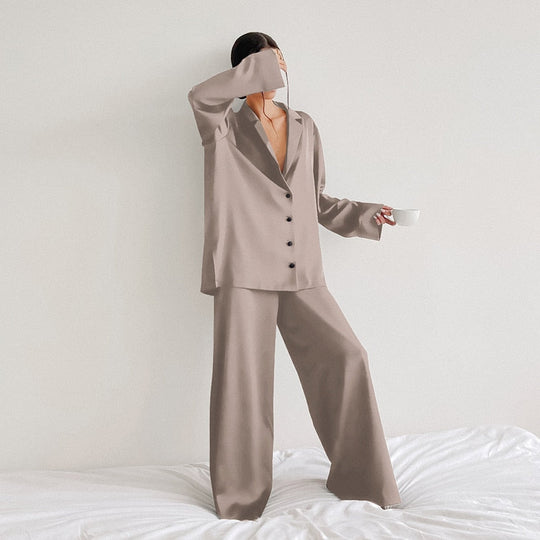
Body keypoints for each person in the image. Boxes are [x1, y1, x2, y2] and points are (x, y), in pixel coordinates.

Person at [187, 31, 400, 521]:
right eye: (269, 61)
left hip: (301, 268)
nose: (281, 67)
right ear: (247, 69)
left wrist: (367, 214)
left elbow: (316, 199)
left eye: (281, 58)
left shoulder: (305, 125)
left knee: (348, 356)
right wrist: (258, 68)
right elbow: (199, 95)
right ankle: (241, 499)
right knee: (243, 385)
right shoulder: (222, 125)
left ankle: (361, 479)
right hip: (243, 270)